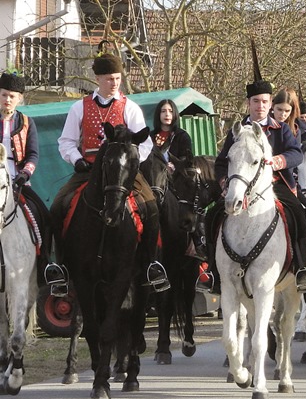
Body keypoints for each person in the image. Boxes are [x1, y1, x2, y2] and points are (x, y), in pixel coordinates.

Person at [47, 52, 169, 293]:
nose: (114, 83)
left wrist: (130, 164)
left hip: (122, 173)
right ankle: (60, 267)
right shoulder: (78, 107)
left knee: (151, 206)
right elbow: (66, 141)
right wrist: (77, 159)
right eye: (109, 79)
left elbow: (144, 143)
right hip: (89, 171)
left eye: (117, 78)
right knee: (57, 206)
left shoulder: (130, 107)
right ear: (98, 79)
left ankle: (150, 264)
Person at [214, 77, 306, 291]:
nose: (260, 106)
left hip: (275, 183)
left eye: (264, 102)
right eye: (256, 101)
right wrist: (225, 183)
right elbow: (222, 162)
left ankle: (301, 267)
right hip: (240, 185)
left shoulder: (280, 129)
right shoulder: (237, 130)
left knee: (299, 212)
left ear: (270, 104)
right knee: (212, 214)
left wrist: (277, 161)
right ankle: (214, 271)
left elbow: (296, 154)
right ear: (248, 103)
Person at [151, 99, 213, 292]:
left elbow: (188, 160)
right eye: (163, 111)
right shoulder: (151, 136)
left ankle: (199, 246)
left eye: (170, 111)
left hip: (177, 181)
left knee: (189, 207)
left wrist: (174, 166)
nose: (167, 114)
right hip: (156, 181)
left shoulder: (182, 136)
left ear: (175, 114)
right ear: (158, 115)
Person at [0, 71, 55, 287]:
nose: (7, 100)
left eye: (12, 96)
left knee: (44, 216)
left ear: (19, 98)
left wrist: (25, 174)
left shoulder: (26, 122)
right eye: (4, 95)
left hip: (19, 183)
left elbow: (33, 154)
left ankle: (45, 265)